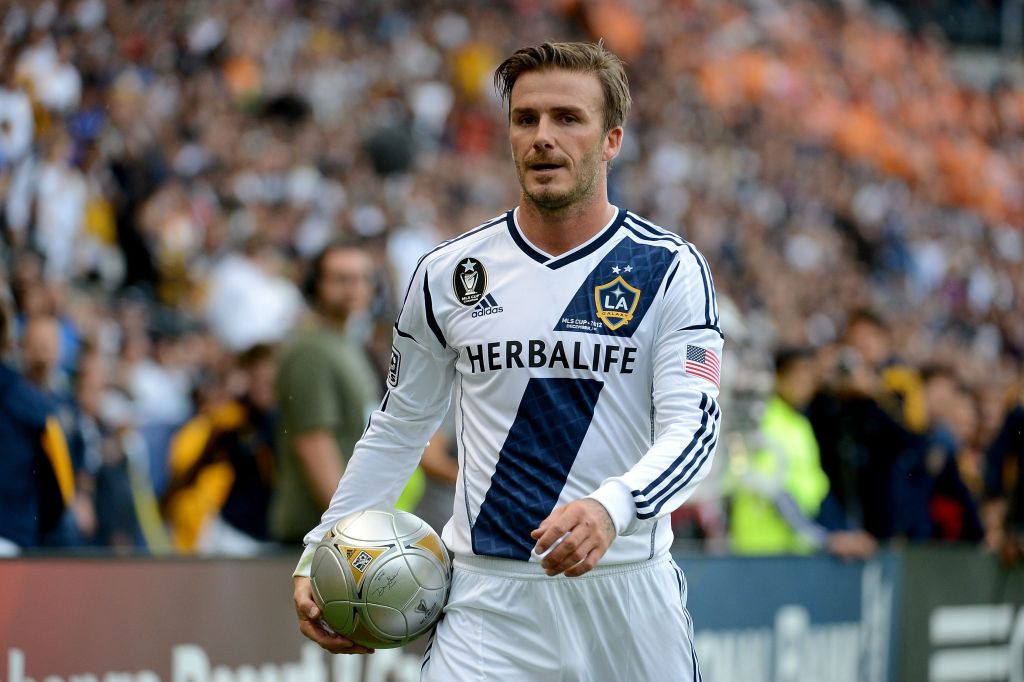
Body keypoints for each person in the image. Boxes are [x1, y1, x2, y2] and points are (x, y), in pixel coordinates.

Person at [292, 42, 723, 681]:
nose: (543, 137)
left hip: (626, 597)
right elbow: (399, 426)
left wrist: (614, 506)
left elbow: (695, 430)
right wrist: (318, 551)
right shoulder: (447, 275)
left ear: (611, 141)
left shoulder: (669, 269)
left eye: (567, 118)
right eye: (526, 119)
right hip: (487, 604)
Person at [271, 239, 427, 545]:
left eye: (363, 278)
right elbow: (314, 442)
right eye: (341, 278)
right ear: (316, 284)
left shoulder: (346, 343)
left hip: (343, 531)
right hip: (319, 534)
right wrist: (348, 533)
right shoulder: (311, 350)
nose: (354, 288)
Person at [729, 346, 877, 559]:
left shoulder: (800, 425)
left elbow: (817, 490)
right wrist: (825, 539)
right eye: (797, 375)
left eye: (810, 377)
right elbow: (777, 493)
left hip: (795, 552)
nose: (804, 384)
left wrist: (847, 533)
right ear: (778, 377)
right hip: (761, 551)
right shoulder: (762, 420)